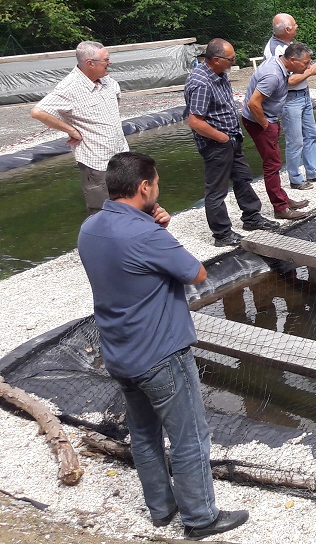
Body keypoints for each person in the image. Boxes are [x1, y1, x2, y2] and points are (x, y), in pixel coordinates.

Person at [78, 152, 249, 540]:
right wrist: (162, 230)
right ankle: (201, 518)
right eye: (155, 183)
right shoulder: (146, 234)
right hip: (161, 354)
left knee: (143, 433)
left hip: (119, 353)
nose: (158, 188)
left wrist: (153, 225)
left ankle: (161, 508)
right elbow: (197, 273)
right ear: (144, 187)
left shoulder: (90, 228)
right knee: (190, 436)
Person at [183, 39, 278, 246]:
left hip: (232, 138)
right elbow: (195, 121)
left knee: (243, 178)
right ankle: (222, 234)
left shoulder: (219, 74)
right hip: (216, 143)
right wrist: (222, 138)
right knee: (217, 190)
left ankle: (252, 218)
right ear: (215, 59)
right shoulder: (201, 81)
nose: (234, 62)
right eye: (231, 59)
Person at [30, 41, 129, 215]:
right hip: (97, 162)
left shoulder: (108, 81)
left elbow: (115, 103)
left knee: (128, 204)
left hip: (121, 155)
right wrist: (71, 130)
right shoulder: (70, 87)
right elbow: (38, 112)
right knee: (103, 212)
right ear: (90, 64)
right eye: (106, 60)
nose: (110, 62)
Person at [241, 42, 314, 220]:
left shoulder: (279, 63)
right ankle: (280, 208)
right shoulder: (273, 74)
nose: (308, 67)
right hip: (259, 121)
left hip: (267, 118)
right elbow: (253, 103)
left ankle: (283, 199)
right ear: (292, 60)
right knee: (272, 165)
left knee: (275, 161)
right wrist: (266, 125)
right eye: (305, 63)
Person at [261, 14, 316, 190]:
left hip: (303, 94)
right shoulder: (275, 50)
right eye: (294, 25)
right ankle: (295, 178)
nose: (297, 26)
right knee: (295, 140)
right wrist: (309, 72)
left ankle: (313, 171)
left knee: (311, 133)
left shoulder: (288, 46)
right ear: (286, 29)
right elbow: (287, 81)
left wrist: (305, 69)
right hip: (290, 98)